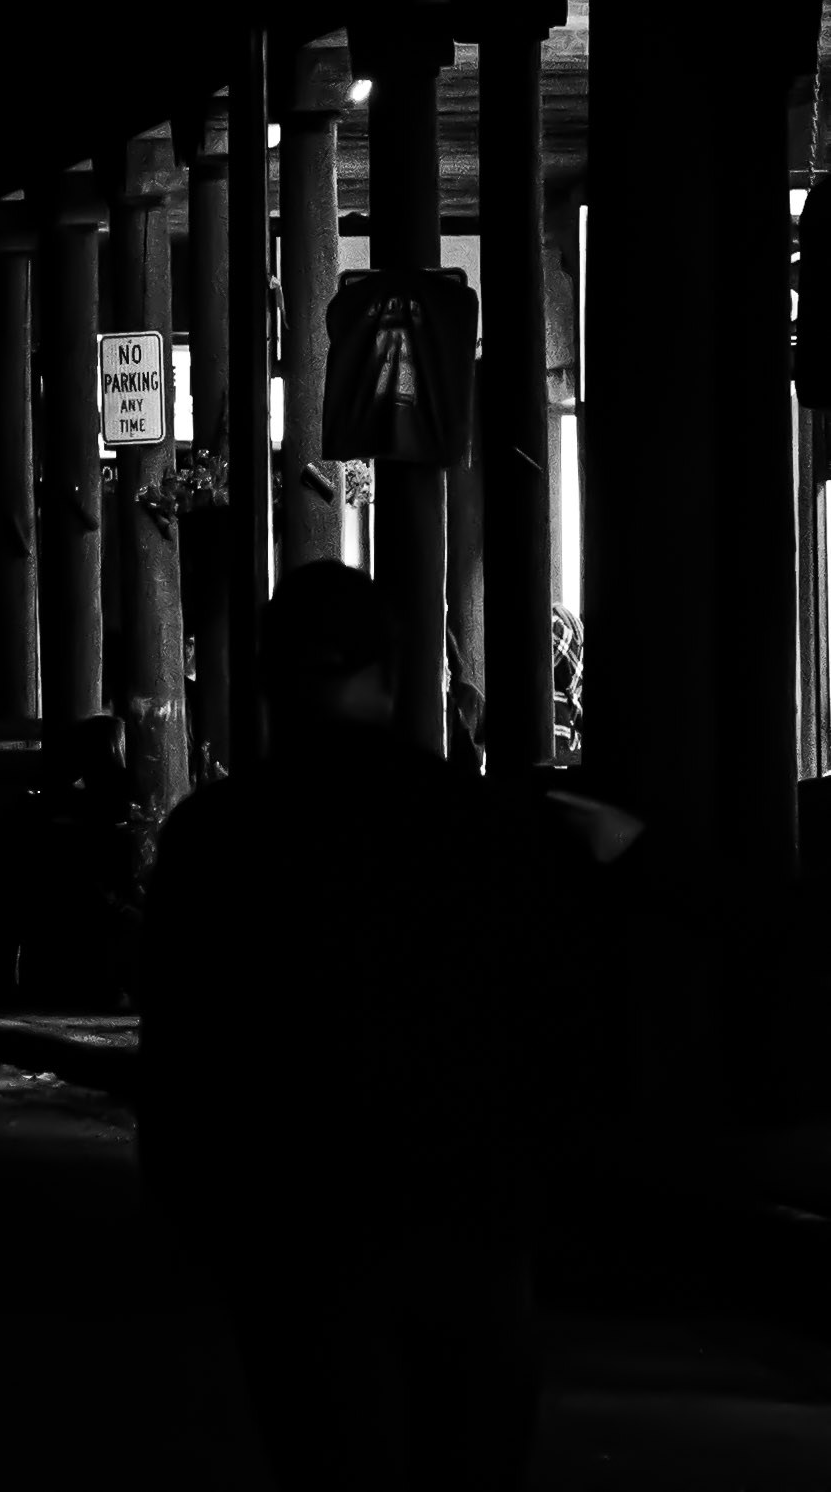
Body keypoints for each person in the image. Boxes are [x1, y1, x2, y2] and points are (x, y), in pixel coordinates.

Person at [139, 561, 582, 1492]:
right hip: (468, 1215)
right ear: (391, 673)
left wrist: (205, 1225)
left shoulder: (216, 838)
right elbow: (548, 1018)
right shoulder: (478, 821)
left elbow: (181, 1062)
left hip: (298, 1225)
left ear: (266, 680)